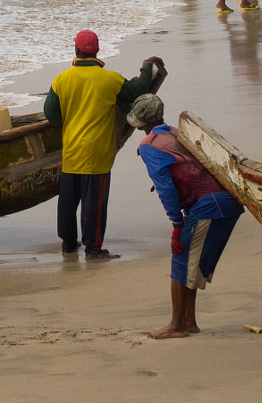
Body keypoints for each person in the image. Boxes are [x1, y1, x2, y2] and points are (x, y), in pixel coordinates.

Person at [129, 94, 241, 339]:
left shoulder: (149, 145)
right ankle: (189, 322)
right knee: (194, 263)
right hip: (229, 200)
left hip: (208, 205)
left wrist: (176, 223)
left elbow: (166, 189)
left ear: (139, 122)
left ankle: (177, 325)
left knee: (182, 259)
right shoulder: (174, 132)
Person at [43, 30, 125, 259]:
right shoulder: (112, 80)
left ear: (76, 50)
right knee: (94, 203)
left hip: (72, 151)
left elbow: (51, 115)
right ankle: (93, 248)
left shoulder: (61, 79)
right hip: (97, 153)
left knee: (68, 202)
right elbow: (133, 97)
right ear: (96, 51)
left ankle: (69, 243)